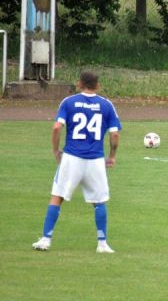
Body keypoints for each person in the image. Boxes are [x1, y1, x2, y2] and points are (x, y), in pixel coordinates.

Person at [32, 71, 122, 253]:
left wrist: (55, 150)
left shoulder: (69, 102)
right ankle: (102, 243)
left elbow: (57, 126)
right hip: (95, 160)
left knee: (57, 197)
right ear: (98, 85)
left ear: (79, 83)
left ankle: (46, 239)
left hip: (72, 158)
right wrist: (112, 156)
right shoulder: (106, 105)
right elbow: (114, 134)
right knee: (99, 201)